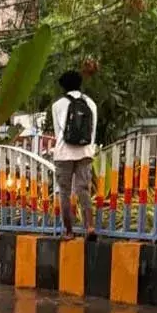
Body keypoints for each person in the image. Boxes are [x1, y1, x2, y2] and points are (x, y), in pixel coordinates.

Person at [51, 70, 98, 240]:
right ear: (80, 84)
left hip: (64, 154)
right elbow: (92, 131)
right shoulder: (91, 103)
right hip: (85, 152)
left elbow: (59, 133)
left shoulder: (57, 105)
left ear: (63, 86)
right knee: (83, 189)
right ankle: (90, 227)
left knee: (64, 192)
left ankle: (69, 231)